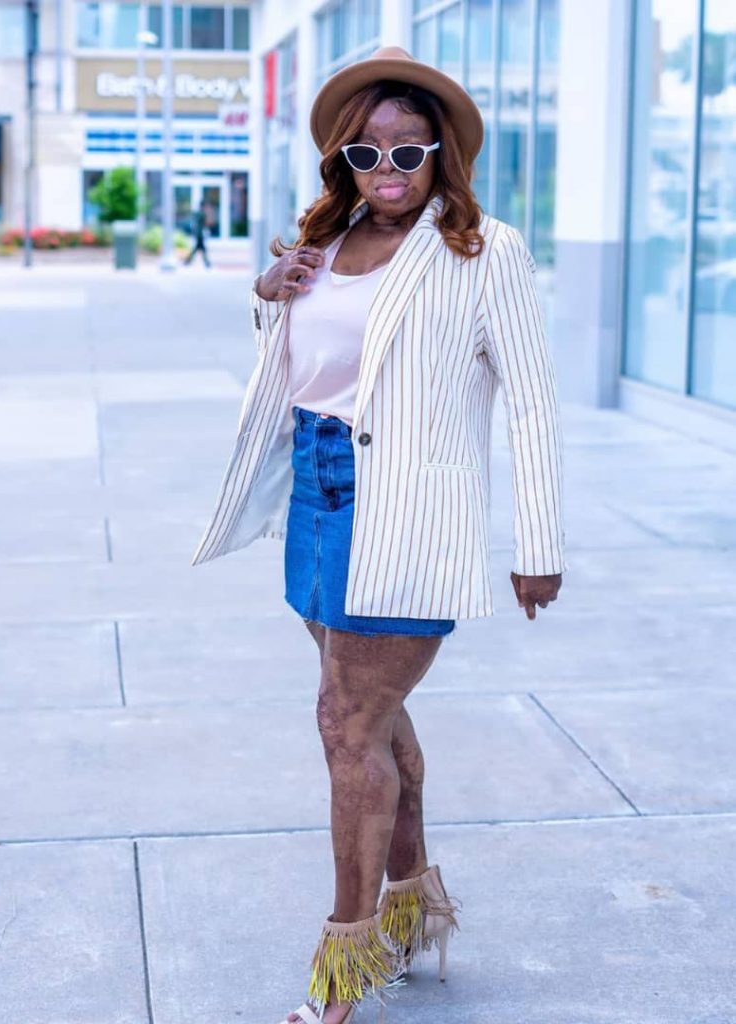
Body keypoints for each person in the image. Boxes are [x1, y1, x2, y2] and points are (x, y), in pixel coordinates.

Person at [191, 46, 565, 1024]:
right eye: (365, 151)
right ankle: (409, 908)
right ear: (342, 163)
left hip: (405, 508)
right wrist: (268, 295)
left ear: (443, 153)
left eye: (407, 148)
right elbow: (308, 364)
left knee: (346, 724)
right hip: (316, 498)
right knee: (374, 718)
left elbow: (531, 402)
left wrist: (538, 542)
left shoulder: (484, 251)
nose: (387, 167)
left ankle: (343, 966)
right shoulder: (328, 240)